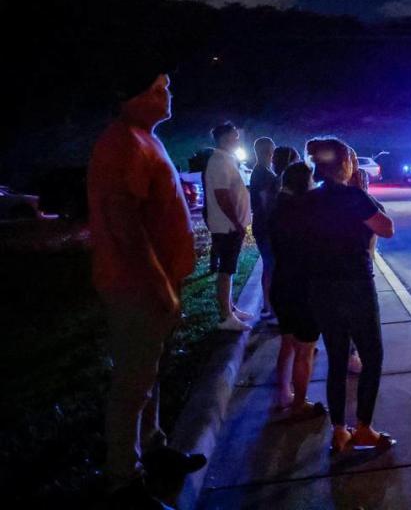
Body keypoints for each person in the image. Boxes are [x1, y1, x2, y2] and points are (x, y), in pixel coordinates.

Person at [87, 56, 201, 494]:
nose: (166, 95)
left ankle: (154, 449)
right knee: (133, 380)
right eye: (157, 88)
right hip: (136, 286)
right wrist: (158, 286)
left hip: (157, 284)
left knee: (150, 371)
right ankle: (124, 478)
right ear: (129, 98)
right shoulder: (123, 145)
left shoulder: (148, 139)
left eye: (166, 87)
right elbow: (126, 227)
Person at [304, 137, 396, 453]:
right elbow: (386, 228)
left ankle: (339, 431)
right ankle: (364, 428)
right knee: (372, 356)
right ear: (345, 164)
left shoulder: (310, 199)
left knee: (337, 360)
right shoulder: (354, 197)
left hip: (321, 288)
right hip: (355, 286)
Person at [268, 162, 328, 417]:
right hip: (304, 287)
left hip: (281, 282)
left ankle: (283, 394)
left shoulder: (277, 206)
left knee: (288, 343)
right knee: (306, 349)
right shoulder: (307, 210)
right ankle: (299, 404)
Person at [205, 122, 253, 331]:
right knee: (226, 268)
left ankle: (230, 308)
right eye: (234, 136)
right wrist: (235, 222)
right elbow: (222, 195)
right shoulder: (219, 161)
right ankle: (226, 316)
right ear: (224, 138)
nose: (237, 139)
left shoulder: (227, 160)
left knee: (229, 267)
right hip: (227, 226)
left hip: (231, 225)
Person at [249, 136, 277, 319]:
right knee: (271, 265)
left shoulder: (260, 171)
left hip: (261, 224)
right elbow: (265, 201)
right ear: (269, 152)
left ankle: (269, 304)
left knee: (270, 265)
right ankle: (269, 306)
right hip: (266, 226)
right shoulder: (263, 174)